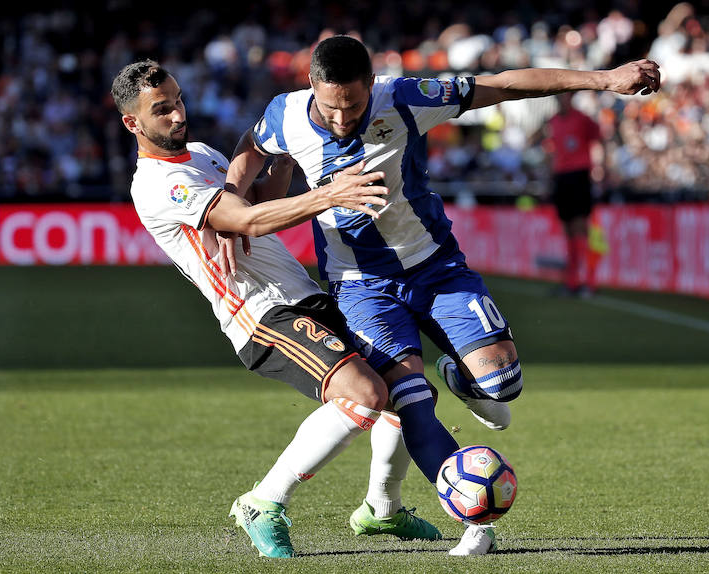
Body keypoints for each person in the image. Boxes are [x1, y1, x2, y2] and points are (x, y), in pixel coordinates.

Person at [226, 35, 661, 555]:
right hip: (362, 288)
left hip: (437, 267)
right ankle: (473, 521)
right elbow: (250, 151)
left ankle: (461, 375)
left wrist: (607, 79)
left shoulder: (406, 97)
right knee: (411, 400)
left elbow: (502, 85)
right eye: (331, 106)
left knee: (502, 387)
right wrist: (232, 210)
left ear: (372, 85)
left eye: (355, 105)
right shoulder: (287, 114)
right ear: (312, 88)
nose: (343, 119)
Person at [110, 59, 443, 559]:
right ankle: (263, 502)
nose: (178, 115)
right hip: (257, 311)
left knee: (406, 390)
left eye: (178, 100)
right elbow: (247, 220)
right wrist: (327, 194)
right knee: (364, 394)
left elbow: (262, 199)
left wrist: (283, 150)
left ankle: (382, 508)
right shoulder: (156, 184)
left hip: (300, 294)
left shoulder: (201, 154)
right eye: (162, 110)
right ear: (132, 123)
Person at [545, 94, 602, 297]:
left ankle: (588, 281)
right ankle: (572, 281)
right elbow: (551, 151)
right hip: (562, 178)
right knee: (568, 229)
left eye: (566, 96)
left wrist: (600, 169)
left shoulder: (583, 119)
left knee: (580, 227)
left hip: (579, 175)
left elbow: (598, 140)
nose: (562, 100)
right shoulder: (553, 121)